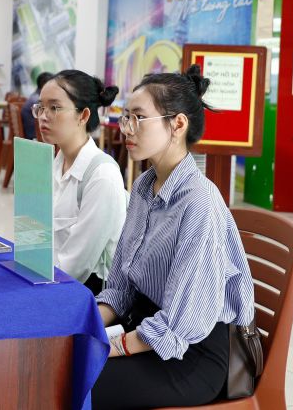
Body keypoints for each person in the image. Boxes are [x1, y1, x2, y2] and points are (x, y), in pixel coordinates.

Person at [91, 65, 255, 408]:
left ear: (177, 125)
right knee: (66, 362)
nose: (127, 129)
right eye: (125, 117)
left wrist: (108, 346)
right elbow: (121, 285)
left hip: (189, 354)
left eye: (138, 118)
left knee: (80, 380)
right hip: (146, 327)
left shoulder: (199, 202)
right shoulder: (143, 185)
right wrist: (87, 327)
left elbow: (180, 324)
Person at [33, 70, 126, 294]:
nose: (44, 116)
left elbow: (75, 267)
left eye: (54, 108)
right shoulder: (55, 162)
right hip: (49, 280)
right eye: (41, 107)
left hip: (83, 294)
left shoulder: (101, 176)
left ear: (83, 116)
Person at [21, 72, 54, 139]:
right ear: (44, 85)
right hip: (35, 137)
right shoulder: (37, 101)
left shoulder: (34, 97)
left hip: (31, 135)